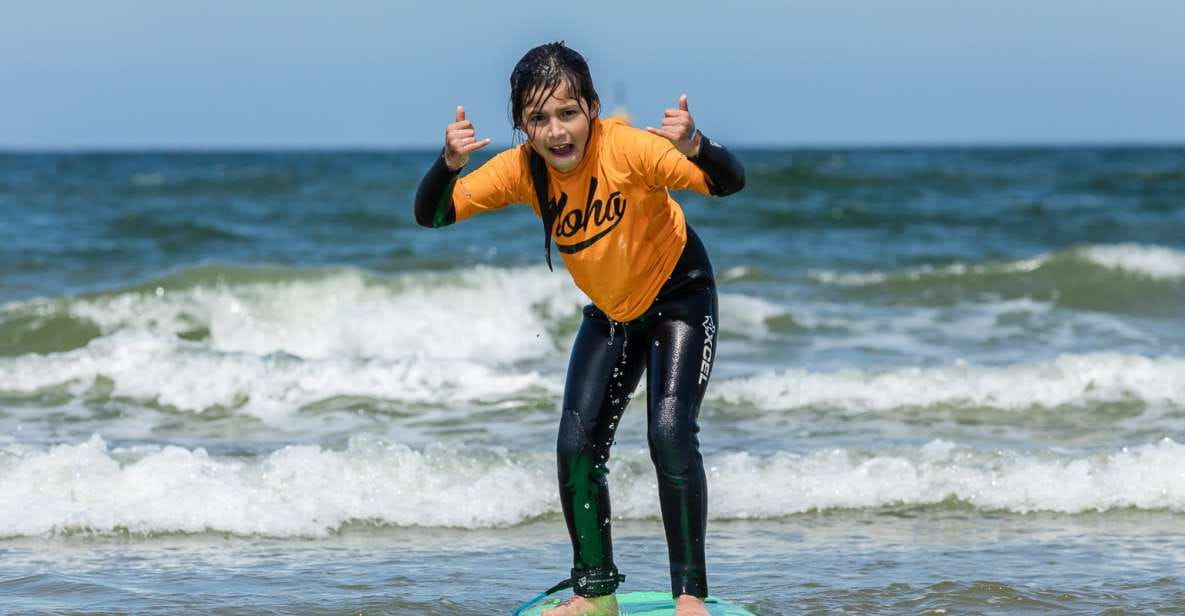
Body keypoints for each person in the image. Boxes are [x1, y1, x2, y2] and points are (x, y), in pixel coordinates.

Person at [414, 42, 744, 616]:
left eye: (567, 113)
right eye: (539, 118)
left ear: (591, 108)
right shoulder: (523, 171)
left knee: (669, 433)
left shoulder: (632, 150)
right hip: (613, 314)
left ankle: (690, 596)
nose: (556, 131)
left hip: (680, 298)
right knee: (575, 447)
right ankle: (596, 596)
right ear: (522, 125)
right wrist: (447, 163)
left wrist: (695, 144)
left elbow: (726, 182)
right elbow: (434, 214)